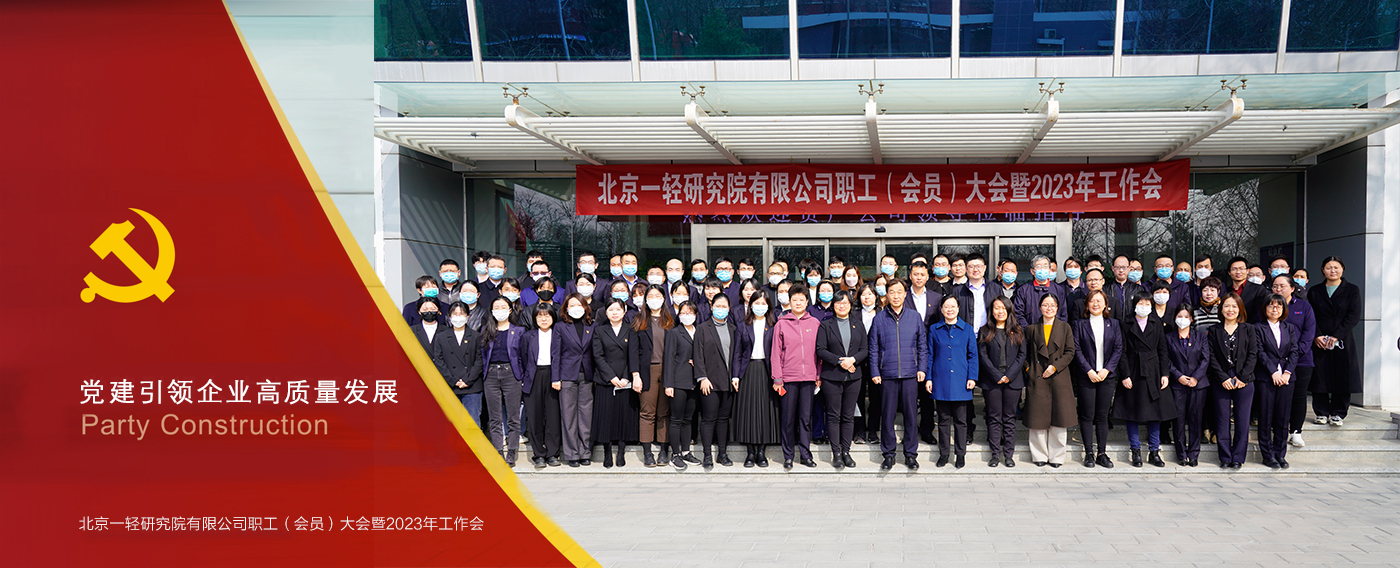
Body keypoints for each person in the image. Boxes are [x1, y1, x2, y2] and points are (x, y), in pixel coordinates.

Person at [868, 277, 928, 471]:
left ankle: (910, 454)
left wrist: (922, 368)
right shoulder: (879, 319)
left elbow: (922, 345)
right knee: (887, 416)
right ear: (887, 294)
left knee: (911, 416)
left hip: (910, 374)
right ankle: (888, 454)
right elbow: (873, 348)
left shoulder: (914, 317)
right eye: (892, 292)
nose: (895, 296)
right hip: (887, 375)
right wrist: (875, 371)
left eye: (899, 292)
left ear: (905, 294)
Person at [1114, 292, 1176, 468]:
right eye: (1140, 303)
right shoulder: (1125, 323)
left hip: (1153, 371)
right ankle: (1135, 450)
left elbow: (1163, 350)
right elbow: (1122, 352)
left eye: (1147, 304)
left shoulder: (1156, 323)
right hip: (1133, 370)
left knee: (1155, 412)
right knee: (1131, 412)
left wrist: (1165, 374)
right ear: (1134, 305)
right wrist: (1125, 375)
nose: (1144, 307)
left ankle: (1154, 451)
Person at [815, 290, 868, 469]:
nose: (842, 306)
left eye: (845, 302)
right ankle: (836, 453)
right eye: (838, 303)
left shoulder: (858, 324)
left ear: (850, 304)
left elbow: (865, 349)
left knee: (848, 415)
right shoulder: (826, 325)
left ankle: (846, 451)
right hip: (832, 376)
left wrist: (853, 360)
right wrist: (841, 361)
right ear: (833, 305)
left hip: (854, 376)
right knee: (833, 416)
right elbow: (820, 349)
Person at [1308, 256, 1361, 427]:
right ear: (1323, 270)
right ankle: (1321, 412)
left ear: (1342, 269)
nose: (1332, 271)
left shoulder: (1352, 290)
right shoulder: (1315, 291)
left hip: (1342, 340)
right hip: (1320, 341)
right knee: (1320, 376)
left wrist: (1336, 335)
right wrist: (1317, 335)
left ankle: (1338, 413)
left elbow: (1353, 315)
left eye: (1336, 267)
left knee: (1342, 377)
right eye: (1329, 267)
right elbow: (1311, 316)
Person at [1071, 290, 1122, 468]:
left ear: (1105, 304)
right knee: (1086, 415)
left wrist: (1107, 369)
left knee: (1102, 416)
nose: (1095, 304)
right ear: (1087, 304)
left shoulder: (1114, 324)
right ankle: (1089, 453)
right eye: (1092, 301)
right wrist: (1089, 370)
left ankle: (1101, 453)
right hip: (1087, 376)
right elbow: (1076, 349)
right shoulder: (1079, 324)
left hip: (1106, 376)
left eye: (1099, 301)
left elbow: (1118, 349)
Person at [772, 284, 821, 469]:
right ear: (789, 302)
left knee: (805, 418)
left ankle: (805, 455)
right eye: (795, 300)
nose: (798, 303)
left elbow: (819, 352)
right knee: (788, 419)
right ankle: (788, 456)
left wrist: (818, 374)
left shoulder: (814, 323)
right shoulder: (781, 323)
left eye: (802, 299)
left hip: (808, 379)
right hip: (788, 379)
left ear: (807, 302)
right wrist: (777, 378)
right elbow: (775, 353)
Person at [1024, 293, 1076, 468]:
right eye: (1045, 305)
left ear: (1057, 307)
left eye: (1052, 305)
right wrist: (1029, 370)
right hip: (1037, 377)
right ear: (1040, 307)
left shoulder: (1065, 327)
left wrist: (1055, 367)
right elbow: (1025, 354)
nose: (1049, 308)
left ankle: (1057, 456)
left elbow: (1070, 351)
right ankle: (1039, 455)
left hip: (1059, 376)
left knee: (1059, 418)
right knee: (1037, 418)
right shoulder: (1031, 329)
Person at [926, 295, 977, 469]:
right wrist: (929, 378)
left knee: (961, 421)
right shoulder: (934, 329)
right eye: (946, 306)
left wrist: (972, 377)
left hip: (961, 381)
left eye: (953, 306)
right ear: (941, 309)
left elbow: (973, 355)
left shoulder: (967, 329)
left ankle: (960, 454)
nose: (950, 309)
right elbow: (930, 355)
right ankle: (944, 453)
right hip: (940, 380)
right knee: (943, 420)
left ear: (958, 308)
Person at [1207, 293, 1257, 470]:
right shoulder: (1214, 330)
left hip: (1244, 378)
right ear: (1221, 309)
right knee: (1222, 419)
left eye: (1234, 306)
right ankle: (1225, 456)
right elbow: (1211, 356)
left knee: (1242, 420)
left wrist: (1242, 377)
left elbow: (1253, 354)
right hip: (1221, 378)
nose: (1230, 310)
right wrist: (1223, 378)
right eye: (1227, 306)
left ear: (1240, 309)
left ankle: (1238, 457)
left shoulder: (1249, 329)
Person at [592, 298, 641, 468]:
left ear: (624, 311)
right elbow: (598, 356)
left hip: (625, 379)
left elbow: (633, 355)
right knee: (606, 417)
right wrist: (611, 377)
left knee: (623, 417)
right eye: (611, 309)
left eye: (618, 309)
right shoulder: (600, 330)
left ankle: (621, 451)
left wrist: (627, 377)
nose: (614, 313)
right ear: (605, 312)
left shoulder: (631, 330)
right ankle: (607, 452)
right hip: (606, 380)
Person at [732, 293, 780, 468]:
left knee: (766, 411)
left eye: (763, 303)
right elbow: (737, 353)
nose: (760, 306)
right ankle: (750, 452)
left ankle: (761, 452)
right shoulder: (743, 325)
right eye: (757, 303)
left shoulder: (774, 325)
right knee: (749, 412)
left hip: (768, 372)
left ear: (768, 306)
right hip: (748, 371)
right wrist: (735, 375)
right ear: (750, 305)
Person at [978, 296, 1025, 468]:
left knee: (1009, 418)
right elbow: (982, 355)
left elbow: (1022, 355)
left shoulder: (1018, 330)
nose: (1000, 311)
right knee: (994, 417)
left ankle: (1009, 455)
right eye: (997, 308)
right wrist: (996, 375)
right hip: (992, 381)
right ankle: (995, 455)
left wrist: (1009, 375)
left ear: (1009, 310)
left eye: (1003, 308)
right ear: (992, 311)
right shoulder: (985, 331)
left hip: (1013, 381)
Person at [693, 294, 739, 468]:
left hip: (728, 381)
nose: (721, 309)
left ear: (729, 308)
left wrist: (735, 376)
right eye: (717, 306)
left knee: (723, 419)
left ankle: (722, 454)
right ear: (711, 307)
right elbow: (697, 355)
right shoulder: (703, 328)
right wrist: (702, 378)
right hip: (709, 381)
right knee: (708, 419)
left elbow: (736, 355)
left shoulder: (733, 328)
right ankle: (707, 455)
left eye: (724, 306)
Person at [1271, 275, 1316, 448]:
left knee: (1298, 397)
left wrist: (1293, 356)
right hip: (1276, 362)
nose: (1278, 289)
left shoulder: (1304, 306)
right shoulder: (1269, 306)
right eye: (1275, 286)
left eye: (1282, 286)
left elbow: (1308, 333)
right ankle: (1277, 431)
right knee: (1277, 398)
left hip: (1301, 361)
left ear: (1292, 288)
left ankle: (1296, 431)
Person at [1256, 293, 1300, 469]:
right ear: (1265, 308)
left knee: (1283, 417)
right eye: (1271, 305)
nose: (1275, 309)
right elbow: (1260, 352)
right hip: (1266, 378)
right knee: (1266, 417)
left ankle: (1280, 454)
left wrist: (1287, 372)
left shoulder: (1289, 328)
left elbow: (1295, 351)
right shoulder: (1258, 328)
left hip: (1287, 378)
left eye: (1279, 306)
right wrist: (1273, 372)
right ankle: (1267, 455)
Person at [480, 296, 526, 466]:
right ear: (492, 311)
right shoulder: (486, 330)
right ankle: (498, 451)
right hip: (491, 375)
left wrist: (521, 376)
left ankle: (511, 452)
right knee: (495, 417)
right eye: (496, 307)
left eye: (503, 307)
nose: (500, 311)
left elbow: (523, 356)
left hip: (511, 374)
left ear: (510, 310)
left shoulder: (519, 331)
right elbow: (482, 355)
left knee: (513, 417)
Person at [631, 284, 672, 467]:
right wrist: (635, 375)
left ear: (664, 299)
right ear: (646, 300)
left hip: (668, 371)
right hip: (647, 371)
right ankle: (647, 453)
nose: (654, 299)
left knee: (664, 413)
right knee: (647, 413)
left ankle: (663, 451)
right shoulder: (639, 320)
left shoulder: (671, 320)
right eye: (651, 296)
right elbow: (633, 351)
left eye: (658, 296)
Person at [519, 303, 562, 467]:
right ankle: (538, 454)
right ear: (534, 318)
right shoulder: (528, 336)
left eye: (547, 315)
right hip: (533, 376)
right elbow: (523, 358)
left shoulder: (558, 334)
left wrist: (557, 377)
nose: (544, 319)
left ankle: (553, 453)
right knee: (534, 416)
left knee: (553, 416)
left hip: (553, 375)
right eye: (540, 316)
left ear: (553, 317)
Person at [1165, 305, 1209, 467]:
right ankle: (1181, 454)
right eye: (1179, 316)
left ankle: (1194, 453)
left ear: (1191, 319)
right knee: (1178, 420)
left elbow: (1205, 359)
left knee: (1195, 419)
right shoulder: (1168, 337)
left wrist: (1196, 377)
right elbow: (1166, 360)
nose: (1182, 319)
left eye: (1186, 316)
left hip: (1198, 385)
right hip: (1178, 384)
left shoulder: (1201, 337)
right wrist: (1178, 376)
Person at [556, 293, 595, 467]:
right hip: (567, 375)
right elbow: (556, 353)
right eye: (572, 305)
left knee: (586, 415)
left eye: (579, 305)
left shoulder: (592, 325)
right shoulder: (560, 327)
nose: (576, 308)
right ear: (566, 308)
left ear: (585, 307)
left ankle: (585, 452)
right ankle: (572, 453)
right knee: (568, 415)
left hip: (587, 375)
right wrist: (555, 377)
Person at [431, 301, 485, 426]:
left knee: (472, 422)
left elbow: (480, 360)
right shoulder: (441, 337)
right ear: (449, 317)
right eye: (455, 314)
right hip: (450, 385)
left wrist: (467, 380)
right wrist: (453, 380)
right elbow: (439, 360)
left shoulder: (476, 336)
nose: (458, 317)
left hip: (472, 386)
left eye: (462, 314)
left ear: (468, 316)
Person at [663, 301, 702, 469]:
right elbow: (669, 359)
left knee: (688, 419)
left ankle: (686, 452)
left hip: (694, 382)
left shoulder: (699, 331)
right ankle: (675, 454)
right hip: (678, 382)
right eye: (683, 312)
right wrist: (668, 384)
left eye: (690, 312)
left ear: (696, 315)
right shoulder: (674, 333)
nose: (687, 315)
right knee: (676, 419)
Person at [855, 283, 883, 445]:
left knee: (875, 398)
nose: (867, 297)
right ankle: (860, 431)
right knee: (857, 397)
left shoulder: (882, 313)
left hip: (877, 363)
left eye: (870, 294)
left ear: (876, 296)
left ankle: (873, 431)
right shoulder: (853, 314)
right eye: (864, 294)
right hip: (858, 362)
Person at [1014, 255, 1064, 327]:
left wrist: (1058, 330)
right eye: (1038, 266)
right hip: (1030, 331)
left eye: (1045, 266)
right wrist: (1029, 330)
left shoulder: (1058, 290)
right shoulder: (1023, 290)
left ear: (1049, 270)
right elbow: (1018, 314)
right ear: (1032, 271)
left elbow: (1063, 314)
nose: (1042, 269)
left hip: (1054, 331)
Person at [954, 253, 994, 332]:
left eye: (979, 266)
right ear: (966, 269)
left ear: (984, 268)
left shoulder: (995, 289)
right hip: (965, 335)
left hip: (989, 335)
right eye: (971, 266)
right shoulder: (958, 291)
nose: (975, 270)